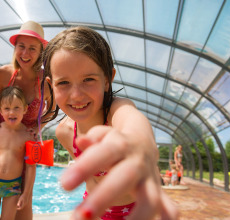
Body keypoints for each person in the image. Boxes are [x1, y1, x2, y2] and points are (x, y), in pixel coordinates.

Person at [42, 26, 179, 219]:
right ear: (51, 85)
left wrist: (140, 145)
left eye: (88, 79)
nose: (76, 95)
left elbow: (133, 122)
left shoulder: (116, 111)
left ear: (107, 80)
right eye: (63, 83)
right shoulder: (64, 132)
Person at [0, 20, 52, 220]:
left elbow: (52, 110)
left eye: (32, 48)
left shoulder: (45, 81)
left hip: (25, 145)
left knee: (24, 204)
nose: (25, 53)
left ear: (41, 52)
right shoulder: (5, 73)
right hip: (0, 144)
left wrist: (36, 129)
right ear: (15, 48)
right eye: (21, 46)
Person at [0, 86, 35, 220]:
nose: (11, 112)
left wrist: (26, 194)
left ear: (25, 109)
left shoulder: (28, 136)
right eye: (7, 108)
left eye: (16, 108)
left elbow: (31, 167)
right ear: (0, 111)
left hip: (13, 186)